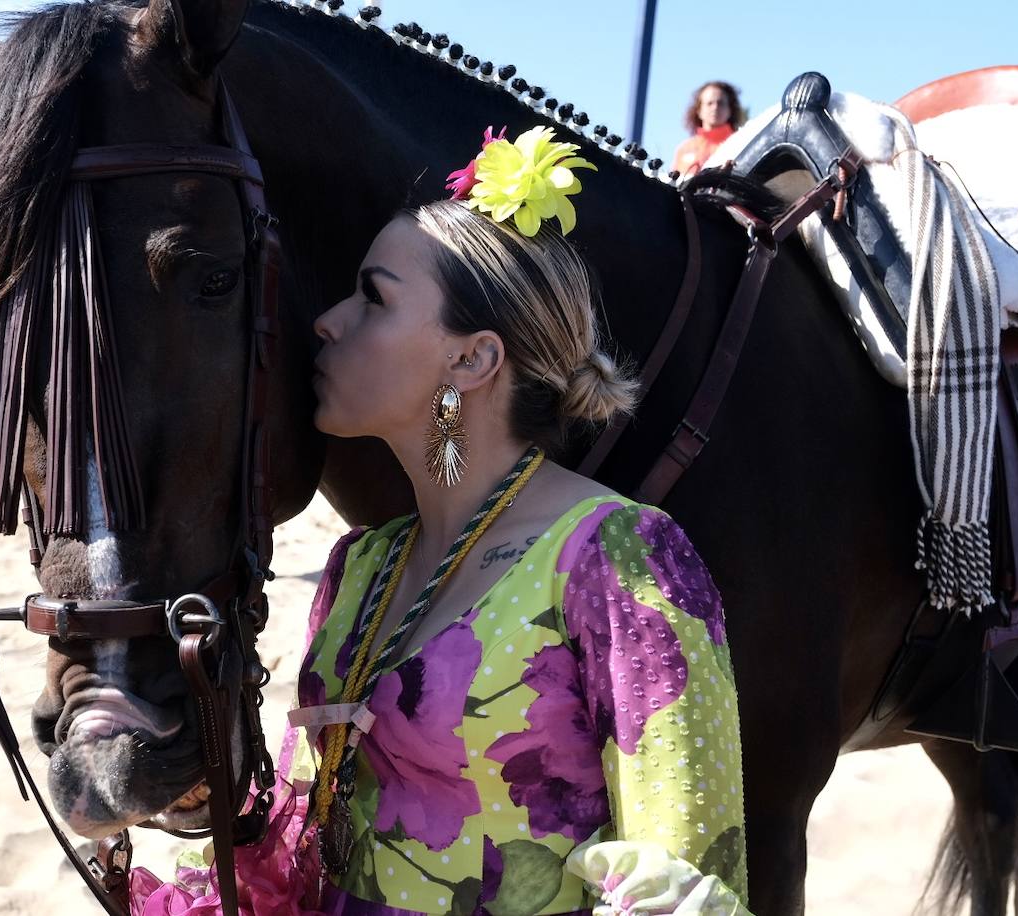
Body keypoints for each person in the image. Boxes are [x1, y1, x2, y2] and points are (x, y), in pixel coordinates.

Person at [133, 126, 751, 916]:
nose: (327, 320)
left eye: (373, 297)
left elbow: (688, 870)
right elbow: (310, 832)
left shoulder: (616, 559)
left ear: (472, 361)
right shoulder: (363, 563)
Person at [671, 82, 745, 178]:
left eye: (721, 103)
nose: (715, 107)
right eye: (709, 103)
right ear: (699, 110)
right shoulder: (684, 149)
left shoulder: (740, 144)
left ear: (730, 109)